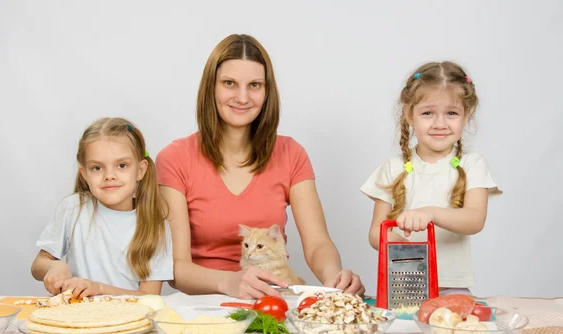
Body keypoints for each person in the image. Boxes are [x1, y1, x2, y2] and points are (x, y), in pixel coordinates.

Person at [157, 34, 364, 299]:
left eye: (254, 85)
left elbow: (317, 244)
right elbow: (178, 268)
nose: (242, 97)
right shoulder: (174, 158)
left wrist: (334, 278)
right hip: (201, 308)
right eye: (229, 83)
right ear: (211, 88)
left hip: (271, 300)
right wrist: (229, 282)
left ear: (267, 92)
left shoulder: (291, 154)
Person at [361, 62, 502, 292]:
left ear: (467, 115)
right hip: (403, 285)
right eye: (428, 113)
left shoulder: (472, 164)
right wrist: (408, 252)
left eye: (452, 113)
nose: (440, 124)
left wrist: (430, 213)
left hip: (452, 287)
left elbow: (475, 220)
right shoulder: (393, 167)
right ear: (409, 114)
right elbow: (377, 232)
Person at [31, 118, 173, 298]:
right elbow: (37, 265)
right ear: (85, 174)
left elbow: (149, 296)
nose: (109, 176)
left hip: (128, 321)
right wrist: (54, 266)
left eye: (122, 165)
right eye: (97, 168)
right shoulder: (73, 208)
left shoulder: (155, 223)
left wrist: (99, 288)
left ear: (140, 170)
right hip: (76, 318)